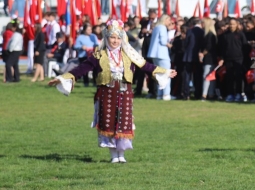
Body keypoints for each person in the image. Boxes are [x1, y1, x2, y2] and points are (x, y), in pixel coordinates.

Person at [47, 20, 176, 163]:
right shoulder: (99, 55)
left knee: (123, 122)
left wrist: (164, 72)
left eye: (118, 38)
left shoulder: (129, 55)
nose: (115, 41)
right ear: (107, 38)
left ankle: (122, 154)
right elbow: (81, 69)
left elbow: (146, 66)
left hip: (125, 93)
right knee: (109, 122)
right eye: (112, 37)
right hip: (107, 93)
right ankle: (114, 155)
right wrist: (63, 78)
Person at [146, 15, 173, 100]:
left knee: (159, 74)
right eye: (169, 20)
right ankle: (166, 94)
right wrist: (170, 45)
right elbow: (163, 41)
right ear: (165, 20)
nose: (170, 22)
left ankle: (160, 94)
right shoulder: (163, 27)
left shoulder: (156, 27)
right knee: (167, 73)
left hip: (154, 54)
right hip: (162, 54)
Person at [199, 18, 218, 101]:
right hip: (210, 57)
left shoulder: (210, 35)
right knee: (210, 76)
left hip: (209, 58)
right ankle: (210, 94)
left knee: (207, 76)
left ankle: (204, 94)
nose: (201, 24)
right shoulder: (209, 34)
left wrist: (202, 54)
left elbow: (209, 47)